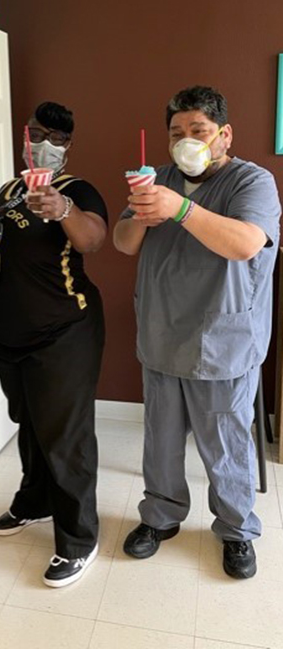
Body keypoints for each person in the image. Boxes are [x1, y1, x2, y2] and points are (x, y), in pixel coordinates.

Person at [113, 85, 281, 579]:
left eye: (199, 132)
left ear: (224, 135)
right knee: (160, 443)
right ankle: (160, 518)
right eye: (177, 133)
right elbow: (124, 244)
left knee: (226, 445)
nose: (187, 141)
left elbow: (247, 243)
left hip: (222, 340)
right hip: (162, 333)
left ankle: (235, 529)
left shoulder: (253, 182)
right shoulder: (157, 178)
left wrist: (180, 210)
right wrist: (142, 213)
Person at [0, 101, 108, 588]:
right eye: (36, 132)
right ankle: (35, 500)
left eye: (58, 137)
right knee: (28, 424)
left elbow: (93, 239)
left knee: (65, 436)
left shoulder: (76, 190)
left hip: (65, 334)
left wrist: (63, 209)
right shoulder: (7, 191)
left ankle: (79, 539)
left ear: (69, 147)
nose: (45, 143)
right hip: (9, 333)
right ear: (22, 136)